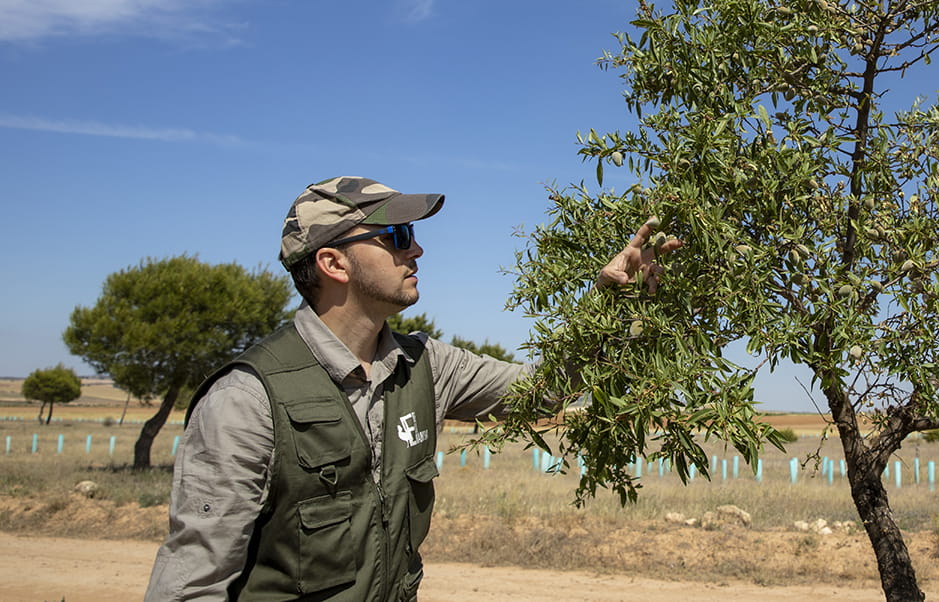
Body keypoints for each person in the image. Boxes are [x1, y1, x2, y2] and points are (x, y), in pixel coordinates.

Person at [144, 176, 679, 601]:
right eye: (396, 237)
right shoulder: (245, 399)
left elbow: (544, 392)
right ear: (333, 263)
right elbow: (192, 584)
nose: (416, 249)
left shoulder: (425, 363)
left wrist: (610, 302)